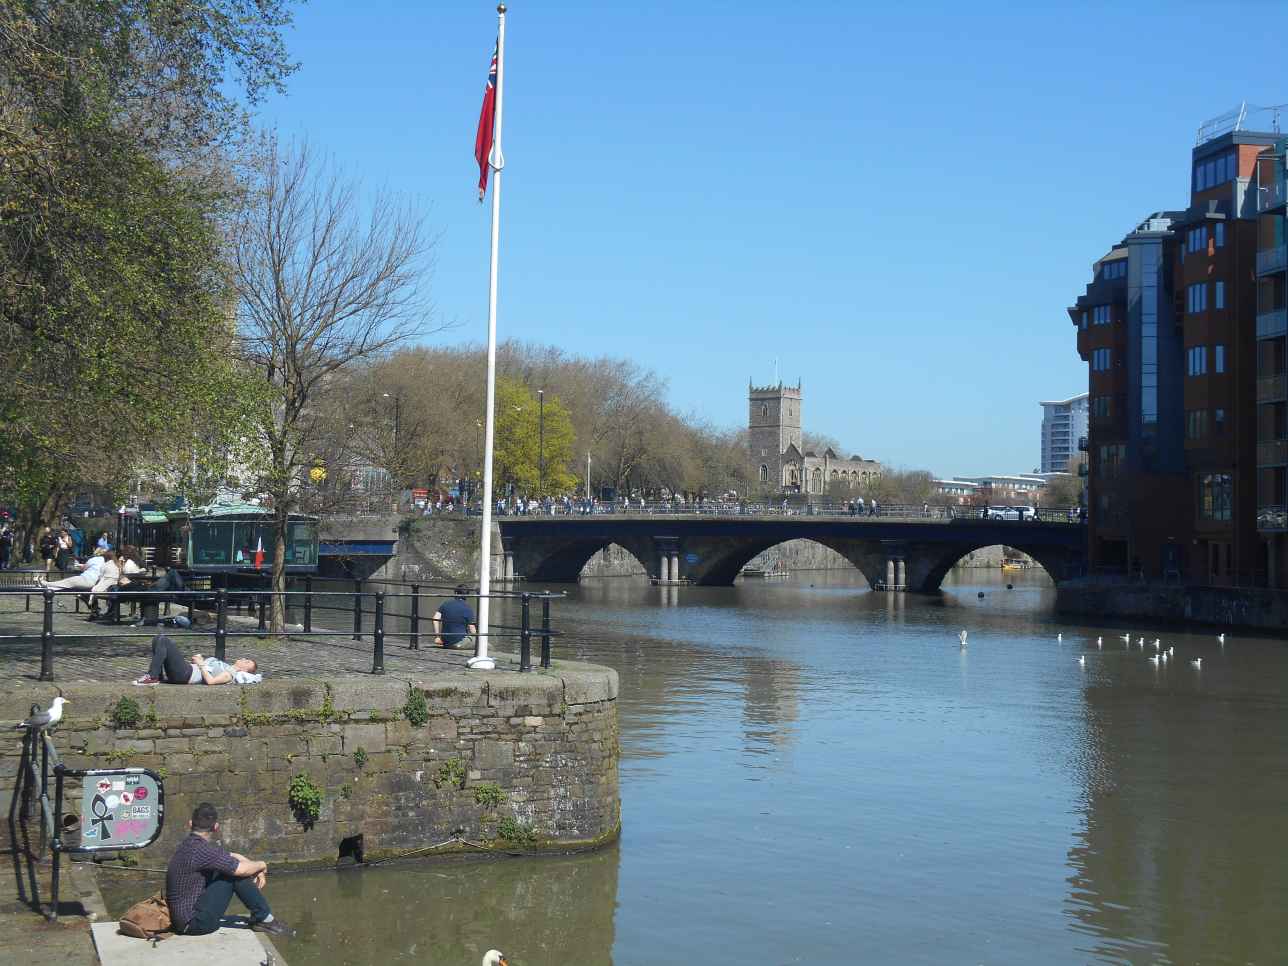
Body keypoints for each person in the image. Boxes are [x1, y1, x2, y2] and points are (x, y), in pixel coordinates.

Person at [165, 802, 292, 937]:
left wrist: (256, 868)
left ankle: (262, 917)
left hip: (182, 921)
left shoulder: (189, 846)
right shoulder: (203, 850)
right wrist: (262, 864)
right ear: (216, 827)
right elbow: (240, 870)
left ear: (190, 824)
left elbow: (231, 856)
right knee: (233, 875)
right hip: (194, 924)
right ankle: (264, 918)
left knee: (229, 868)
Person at [134, 635, 261, 686]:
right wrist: (199, 660)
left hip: (186, 675)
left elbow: (211, 681)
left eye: (247, 662)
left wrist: (201, 664)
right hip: (187, 670)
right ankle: (157, 675)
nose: (244, 659)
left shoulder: (231, 673)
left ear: (245, 671)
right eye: (247, 659)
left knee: (163, 640)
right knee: (157, 639)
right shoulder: (226, 666)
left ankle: (152, 677)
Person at [433, 585, 477, 650]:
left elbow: (435, 619)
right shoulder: (467, 608)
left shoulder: (445, 604)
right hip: (459, 642)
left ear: (455, 593)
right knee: (485, 644)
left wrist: (437, 636)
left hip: (446, 642)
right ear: (467, 595)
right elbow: (472, 629)